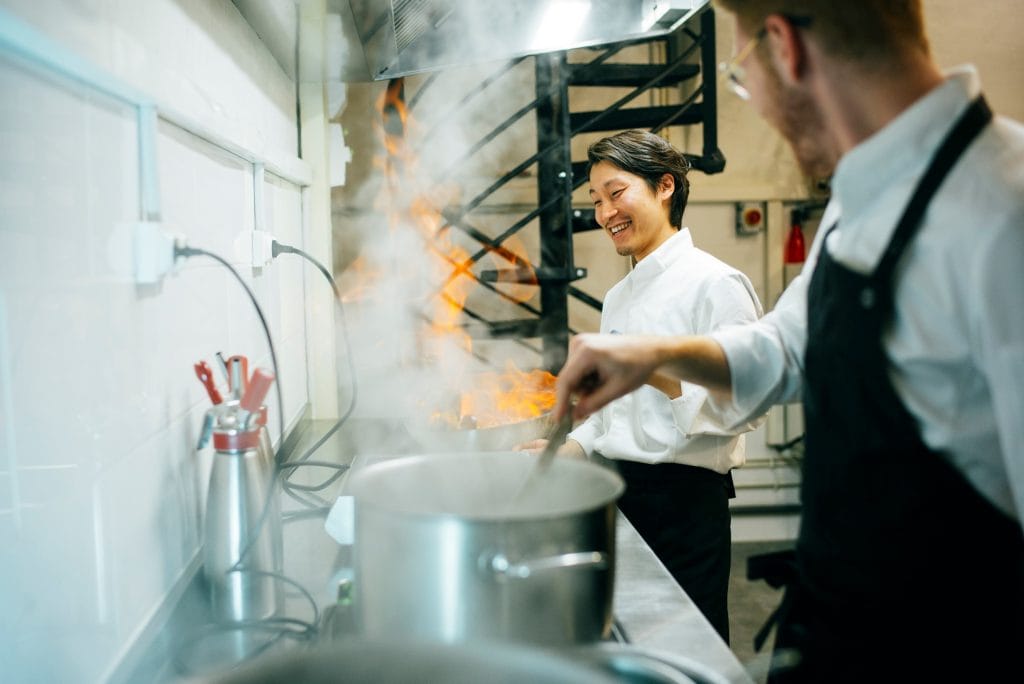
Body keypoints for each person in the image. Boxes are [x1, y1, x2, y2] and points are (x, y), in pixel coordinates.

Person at [553, 2, 1024, 681]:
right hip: (839, 616)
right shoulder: (861, 196)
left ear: (785, 48)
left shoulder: (1004, 211)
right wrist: (652, 354)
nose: (756, 102)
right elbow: (784, 348)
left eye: (740, 73)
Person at [520, 129, 764, 643]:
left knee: (687, 652)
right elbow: (613, 416)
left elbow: (748, 402)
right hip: (619, 495)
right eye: (595, 200)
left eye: (616, 193)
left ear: (665, 187)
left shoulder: (716, 284)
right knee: (625, 646)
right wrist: (569, 448)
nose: (605, 213)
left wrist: (653, 369)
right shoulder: (618, 297)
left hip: (685, 507)